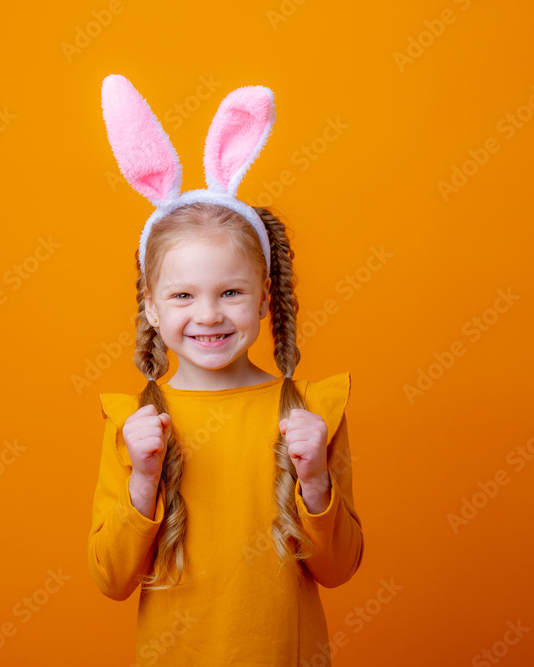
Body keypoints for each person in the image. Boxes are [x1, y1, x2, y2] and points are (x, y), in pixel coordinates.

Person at [88, 74, 364, 666]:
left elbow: (338, 569)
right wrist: (142, 479)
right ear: (152, 309)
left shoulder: (310, 414)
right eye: (183, 296)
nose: (209, 314)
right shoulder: (133, 424)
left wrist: (314, 479)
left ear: (265, 298)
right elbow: (110, 578)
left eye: (231, 291)